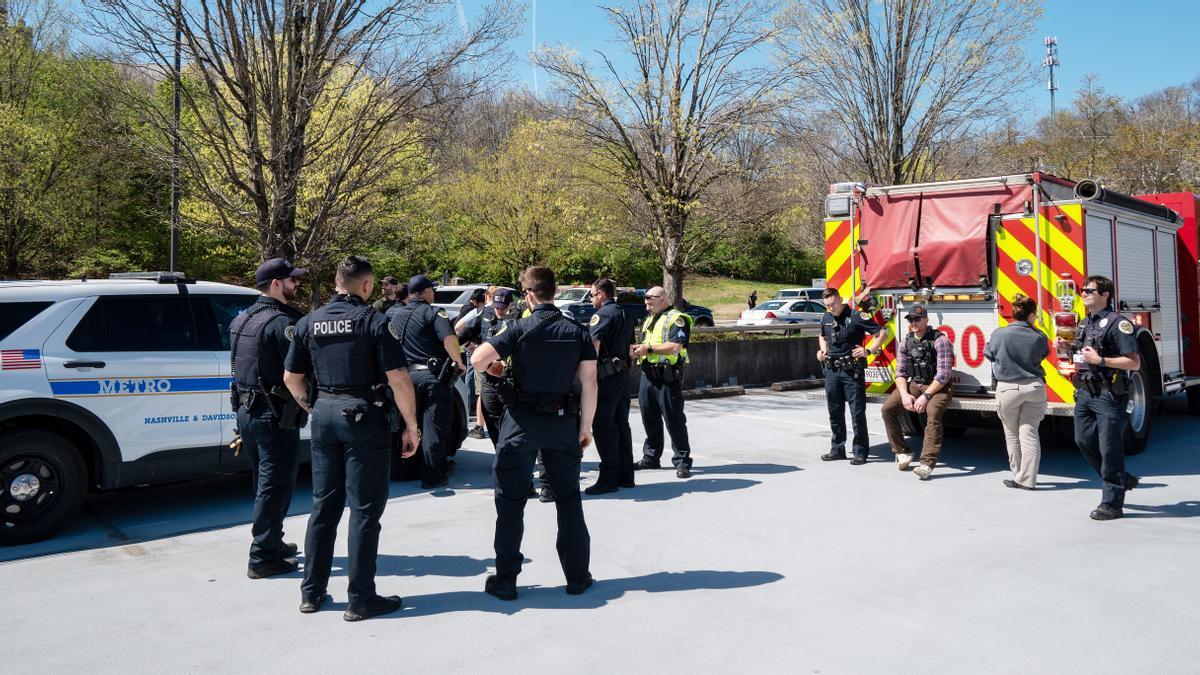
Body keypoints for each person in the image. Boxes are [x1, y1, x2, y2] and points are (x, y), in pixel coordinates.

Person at [282, 255, 420, 622]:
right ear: (366, 285)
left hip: (324, 415)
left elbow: (291, 378)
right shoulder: (374, 321)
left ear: (336, 282)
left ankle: (311, 593)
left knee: (323, 507)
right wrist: (411, 425)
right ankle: (360, 598)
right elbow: (399, 377)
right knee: (364, 511)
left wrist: (313, 408)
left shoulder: (309, 322)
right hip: (362, 417)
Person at [470, 265, 597, 601]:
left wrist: (497, 368)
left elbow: (478, 358)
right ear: (553, 292)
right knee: (569, 501)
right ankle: (577, 577)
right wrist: (585, 428)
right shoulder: (577, 331)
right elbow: (589, 383)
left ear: (527, 295)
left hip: (520, 425)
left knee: (510, 503)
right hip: (561, 424)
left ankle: (507, 580)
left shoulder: (519, 328)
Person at [230, 257, 307, 579]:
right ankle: (262, 558)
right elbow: (300, 369)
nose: (296, 284)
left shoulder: (242, 319)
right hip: (272, 416)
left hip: (247, 412)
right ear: (276, 284)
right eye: (291, 280)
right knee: (275, 485)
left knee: (264, 482)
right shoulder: (280, 323)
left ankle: (271, 540)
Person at [1060, 276, 1141, 520]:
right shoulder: (1085, 323)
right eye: (1083, 290)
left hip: (1108, 393)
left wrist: (1102, 361)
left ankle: (1112, 503)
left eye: (1089, 290)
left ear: (1105, 294)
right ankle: (1122, 479)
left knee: (1110, 448)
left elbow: (1134, 362)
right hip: (1084, 392)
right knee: (1083, 440)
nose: (1083, 293)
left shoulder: (1118, 323)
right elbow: (1083, 355)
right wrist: (1066, 346)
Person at [389, 274, 466, 489]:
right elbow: (449, 338)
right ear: (426, 292)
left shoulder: (395, 316)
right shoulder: (434, 312)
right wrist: (458, 361)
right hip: (430, 378)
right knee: (434, 426)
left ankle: (406, 468)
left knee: (406, 423)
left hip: (403, 379)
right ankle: (433, 475)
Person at [880, 304, 954, 480]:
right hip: (915, 384)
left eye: (917, 319)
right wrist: (905, 394)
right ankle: (902, 451)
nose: (913, 323)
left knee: (933, 413)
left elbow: (944, 374)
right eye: (910, 319)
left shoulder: (940, 340)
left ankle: (926, 464)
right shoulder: (906, 341)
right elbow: (900, 373)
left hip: (938, 387)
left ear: (926, 320)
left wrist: (926, 396)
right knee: (887, 409)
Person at [984, 293, 1049, 490]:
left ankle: (1017, 476)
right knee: (1029, 435)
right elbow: (1043, 354)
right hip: (1035, 387)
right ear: (1030, 315)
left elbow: (989, 354)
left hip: (1008, 389)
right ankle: (1028, 480)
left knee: (1012, 435)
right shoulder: (1039, 336)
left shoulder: (999, 334)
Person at [816, 288, 886, 465]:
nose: (830, 308)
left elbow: (882, 334)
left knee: (857, 413)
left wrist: (867, 350)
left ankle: (860, 452)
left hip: (851, 372)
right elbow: (822, 335)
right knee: (834, 411)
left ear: (840, 299)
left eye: (832, 304)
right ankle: (837, 449)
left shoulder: (856, 316)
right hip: (832, 370)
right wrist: (822, 349)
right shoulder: (826, 317)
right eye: (827, 306)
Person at [633, 286, 694, 478]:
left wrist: (648, 349)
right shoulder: (650, 320)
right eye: (645, 300)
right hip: (647, 376)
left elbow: (676, 347)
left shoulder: (677, 318)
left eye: (650, 299)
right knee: (649, 419)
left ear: (663, 299)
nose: (646, 303)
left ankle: (682, 462)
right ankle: (651, 457)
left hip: (667, 377)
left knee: (674, 420)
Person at [583, 277, 635, 495]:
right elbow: (631, 347)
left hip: (607, 377)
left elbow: (593, 345)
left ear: (602, 294)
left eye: (593, 295)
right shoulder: (624, 313)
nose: (592, 299)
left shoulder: (602, 314)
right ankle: (626, 476)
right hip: (622, 375)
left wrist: (587, 377)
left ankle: (608, 478)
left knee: (604, 426)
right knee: (621, 424)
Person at [456, 288, 490, 439]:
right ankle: (479, 424)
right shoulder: (476, 311)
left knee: (481, 390)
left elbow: (458, 328)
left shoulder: (480, 312)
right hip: (485, 355)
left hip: (482, 355)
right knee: (478, 386)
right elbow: (459, 327)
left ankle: (479, 425)